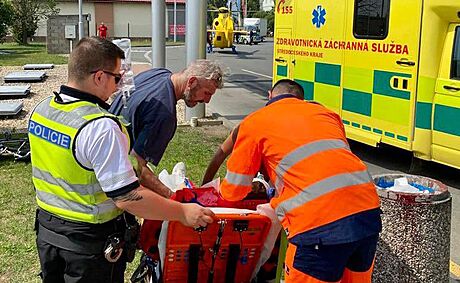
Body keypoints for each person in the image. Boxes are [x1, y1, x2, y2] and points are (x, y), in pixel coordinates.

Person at [28, 36, 214, 283]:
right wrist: (181, 211)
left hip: (49, 234)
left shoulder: (42, 110)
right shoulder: (100, 127)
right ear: (98, 77)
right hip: (88, 246)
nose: (118, 86)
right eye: (116, 78)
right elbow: (128, 197)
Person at [219, 79, 382, 283]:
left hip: (317, 225)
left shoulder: (255, 122)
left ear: (270, 96)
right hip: (367, 214)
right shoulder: (327, 114)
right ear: (300, 99)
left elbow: (234, 190)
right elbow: (322, 165)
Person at [109, 60, 224, 198]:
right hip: (111, 181)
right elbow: (138, 169)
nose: (207, 101)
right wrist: (174, 199)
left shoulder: (158, 73)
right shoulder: (164, 114)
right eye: (207, 93)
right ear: (191, 82)